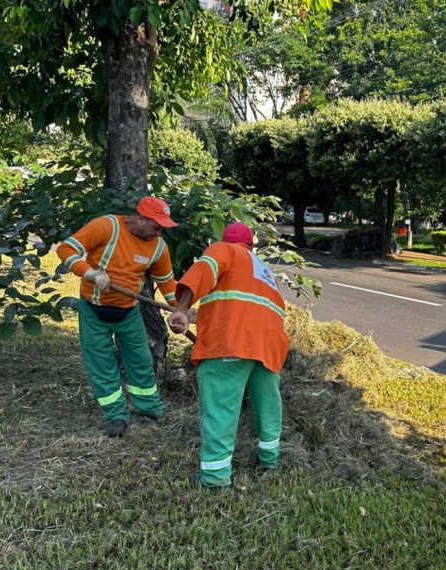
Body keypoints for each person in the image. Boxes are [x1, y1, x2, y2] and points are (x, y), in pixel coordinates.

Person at [167, 222, 289, 489]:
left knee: (220, 407)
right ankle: (270, 459)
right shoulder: (265, 271)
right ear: (251, 246)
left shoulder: (224, 251)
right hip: (269, 346)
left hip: (232, 343)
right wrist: (196, 319)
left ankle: (214, 477)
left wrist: (181, 309)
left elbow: (203, 272)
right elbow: (244, 307)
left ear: (226, 240)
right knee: (268, 405)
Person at [56, 196, 180, 437]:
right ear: (141, 218)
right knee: (101, 365)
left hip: (128, 310)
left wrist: (179, 308)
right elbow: (66, 249)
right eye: (157, 226)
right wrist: (89, 273)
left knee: (141, 361)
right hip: (93, 309)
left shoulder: (158, 247)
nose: (160, 232)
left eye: (163, 228)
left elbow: (166, 282)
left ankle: (151, 409)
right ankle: (116, 415)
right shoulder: (106, 226)